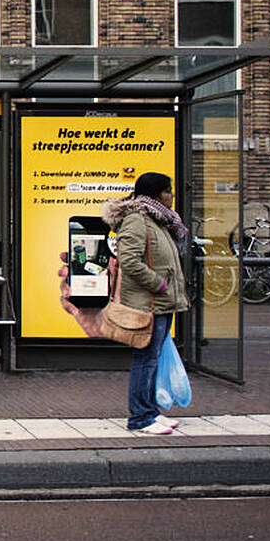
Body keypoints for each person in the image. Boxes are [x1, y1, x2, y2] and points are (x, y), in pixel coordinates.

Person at [60, 171, 188, 436]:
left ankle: (151, 411)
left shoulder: (158, 220)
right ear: (155, 194)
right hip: (149, 303)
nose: (171, 196)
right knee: (146, 359)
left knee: (152, 358)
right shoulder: (137, 220)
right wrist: (160, 284)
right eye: (168, 191)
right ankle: (140, 417)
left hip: (161, 303)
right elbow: (130, 261)